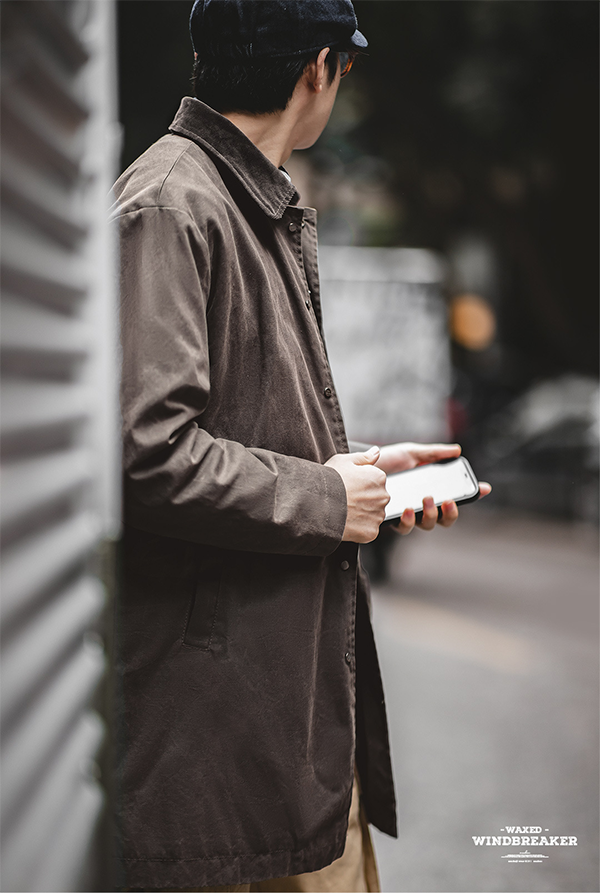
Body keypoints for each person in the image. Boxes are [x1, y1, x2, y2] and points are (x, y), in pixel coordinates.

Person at [112, 1, 491, 891]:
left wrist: (363, 476)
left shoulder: (240, 198)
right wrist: (327, 497)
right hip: (219, 741)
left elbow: (242, 428)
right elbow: (148, 449)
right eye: (344, 69)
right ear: (317, 68)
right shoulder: (174, 201)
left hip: (284, 724)